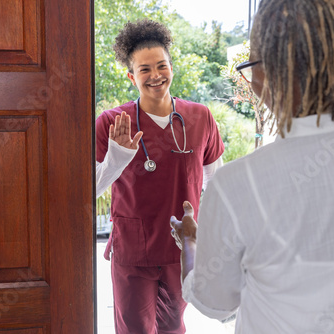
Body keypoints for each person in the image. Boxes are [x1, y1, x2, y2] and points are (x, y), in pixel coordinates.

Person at [170, 0, 334, 333]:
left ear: (272, 71)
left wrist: (191, 245)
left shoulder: (239, 184)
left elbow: (214, 302)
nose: (251, 82)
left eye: (251, 67)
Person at [96, 19, 225, 333]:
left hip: (180, 249)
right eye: (144, 69)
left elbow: (216, 185)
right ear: (131, 76)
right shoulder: (112, 122)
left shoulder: (200, 117)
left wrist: (211, 237)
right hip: (132, 250)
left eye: (161, 65)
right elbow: (87, 190)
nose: (155, 76)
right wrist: (117, 157)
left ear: (171, 67)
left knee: (173, 329)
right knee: (135, 329)